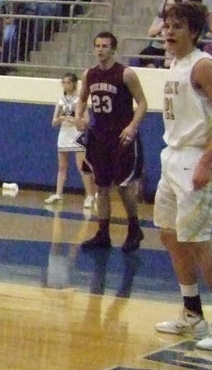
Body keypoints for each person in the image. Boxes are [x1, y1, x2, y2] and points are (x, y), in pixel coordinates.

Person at [152, 1, 212, 347]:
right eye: (166, 25)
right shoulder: (175, 63)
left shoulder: (202, 66)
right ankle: (192, 314)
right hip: (172, 156)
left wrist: (207, 161)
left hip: (195, 158)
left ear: (194, 31)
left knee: (200, 240)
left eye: (177, 26)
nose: (168, 31)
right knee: (170, 235)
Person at [75, 31, 147, 251]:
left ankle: (134, 229)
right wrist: (80, 116)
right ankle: (102, 233)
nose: (100, 49)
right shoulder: (89, 74)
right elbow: (82, 98)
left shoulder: (126, 74)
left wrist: (132, 126)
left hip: (121, 136)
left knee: (124, 186)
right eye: (97, 45)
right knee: (101, 187)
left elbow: (143, 103)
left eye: (105, 46)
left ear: (113, 49)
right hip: (99, 136)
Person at [46, 73, 96, 208]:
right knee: (62, 167)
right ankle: (58, 194)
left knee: (82, 167)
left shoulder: (80, 100)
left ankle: (90, 195)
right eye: (64, 82)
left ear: (74, 84)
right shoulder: (61, 100)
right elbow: (53, 122)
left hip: (76, 135)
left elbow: (87, 121)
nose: (66, 85)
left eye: (68, 82)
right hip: (63, 135)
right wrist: (61, 119)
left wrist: (75, 120)